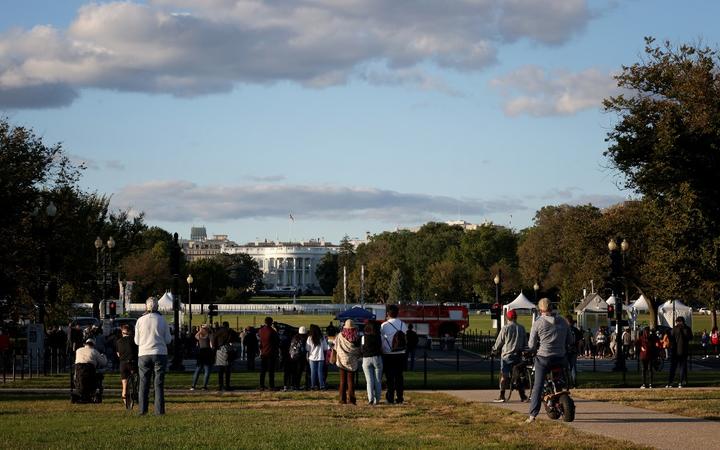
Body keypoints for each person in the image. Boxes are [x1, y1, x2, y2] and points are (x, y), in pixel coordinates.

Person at [525, 298, 573, 424]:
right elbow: (570, 340)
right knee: (561, 379)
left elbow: (531, 345)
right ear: (552, 308)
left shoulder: (538, 323)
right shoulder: (563, 321)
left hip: (544, 358)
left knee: (538, 386)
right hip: (561, 358)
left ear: (540, 310)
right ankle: (560, 389)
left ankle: (532, 415)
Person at [134, 296, 172, 415]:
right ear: (157, 307)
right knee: (158, 383)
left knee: (143, 383)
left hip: (144, 353)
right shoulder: (162, 320)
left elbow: (137, 341)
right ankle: (159, 411)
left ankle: (142, 410)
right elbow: (168, 340)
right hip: (160, 352)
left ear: (146, 306)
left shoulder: (140, 320)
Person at [491, 309, 527, 402]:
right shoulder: (522, 328)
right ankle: (522, 395)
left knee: (504, 375)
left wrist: (494, 350)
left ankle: (502, 395)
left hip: (507, 355)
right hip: (518, 355)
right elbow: (525, 343)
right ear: (516, 317)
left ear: (508, 318)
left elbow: (499, 341)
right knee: (517, 375)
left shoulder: (505, 328)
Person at [381, 304, 407, 404]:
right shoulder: (402, 324)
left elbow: (382, 339)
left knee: (390, 378)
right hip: (401, 353)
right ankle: (400, 397)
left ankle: (390, 397)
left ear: (388, 313)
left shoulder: (384, 325)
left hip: (389, 354)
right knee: (399, 377)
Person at [335, 319, 361, 405]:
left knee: (342, 381)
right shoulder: (356, 337)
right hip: (352, 361)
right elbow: (358, 350)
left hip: (342, 360)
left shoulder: (339, 336)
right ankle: (352, 400)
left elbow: (335, 347)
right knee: (351, 381)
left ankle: (342, 399)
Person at [666, 316, 692, 388]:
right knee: (682, 367)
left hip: (675, 350)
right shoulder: (687, 329)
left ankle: (670, 382)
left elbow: (671, 339)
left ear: (677, 321)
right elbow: (690, 338)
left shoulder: (675, 329)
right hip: (684, 350)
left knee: (673, 367)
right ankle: (681, 382)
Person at [361, 322, 383, 405]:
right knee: (378, 380)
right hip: (377, 357)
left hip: (366, 358)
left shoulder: (364, 337)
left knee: (369, 381)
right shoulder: (379, 337)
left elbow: (362, 348)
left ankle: (370, 399)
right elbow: (381, 347)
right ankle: (377, 399)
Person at [115, 324, 138, 403]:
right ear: (130, 332)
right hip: (132, 362)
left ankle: (126, 402)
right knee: (135, 377)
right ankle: (135, 391)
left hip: (123, 364)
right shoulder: (134, 340)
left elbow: (118, 354)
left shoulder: (118, 342)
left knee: (124, 384)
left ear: (122, 332)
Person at [213, 321, 237, 391]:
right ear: (228, 325)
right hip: (227, 348)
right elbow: (235, 337)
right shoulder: (230, 331)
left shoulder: (219, 331)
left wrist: (215, 346)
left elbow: (214, 337)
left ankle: (220, 385)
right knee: (227, 369)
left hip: (219, 349)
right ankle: (227, 385)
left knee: (220, 369)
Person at [258, 316, 279, 390]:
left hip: (263, 353)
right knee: (271, 371)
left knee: (263, 371)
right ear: (271, 323)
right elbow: (277, 342)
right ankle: (271, 386)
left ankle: (261, 385)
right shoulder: (272, 331)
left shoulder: (261, 330)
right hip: (271, 353)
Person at [191, 324, 213, 390]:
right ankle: (204, 386)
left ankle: (193, 386)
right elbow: (211, 345)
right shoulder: (209, 335)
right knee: (207, 370)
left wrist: (200, 330)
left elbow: (195, 336)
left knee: (198, 370)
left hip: (201, 352)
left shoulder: (200, 335)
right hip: (207, 352)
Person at [306, 324, 328, 390]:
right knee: (320, 372)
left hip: (312, 357)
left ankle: (313, 386)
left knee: (313, 372)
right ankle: (322, 386)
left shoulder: (309, 338)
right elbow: (325, 348)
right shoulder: (322, 338)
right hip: (320, 357)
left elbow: (307, 348)